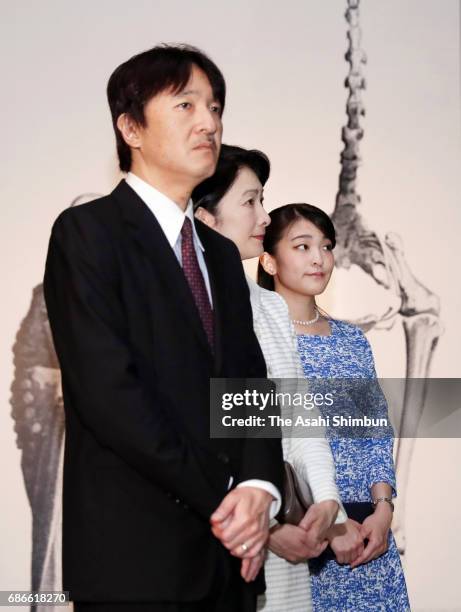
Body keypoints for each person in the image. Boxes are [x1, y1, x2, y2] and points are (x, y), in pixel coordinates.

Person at [43, 45, 284, 612]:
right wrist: (227, 499)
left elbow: (249, 386)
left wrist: (259, 490)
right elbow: (111, 395)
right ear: (131, 126)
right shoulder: (88, 233)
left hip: (230, 567)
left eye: (216, 106)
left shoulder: (221, 256)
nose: (210, 122)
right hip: (135, 563)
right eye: (185, 104)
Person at [193, 145, 347, 612]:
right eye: (250, 202)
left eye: (263, 199)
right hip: (220, 538)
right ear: (205, 219)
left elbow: (299, 421)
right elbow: (197, 440)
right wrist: (269, 526)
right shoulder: (189, 311)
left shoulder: (269, 307)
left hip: (294, 550)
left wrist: (325, 502)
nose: (264, 216)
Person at [257, 203, 410, 611]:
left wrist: (383, 511)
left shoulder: (351, 339)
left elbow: (375, 432)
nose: (318, 258)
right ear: (269, 261)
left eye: (326, 247)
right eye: (302, 246)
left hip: (368, 543)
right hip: (297, 536)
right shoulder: (253, 343)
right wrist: (331, 525)